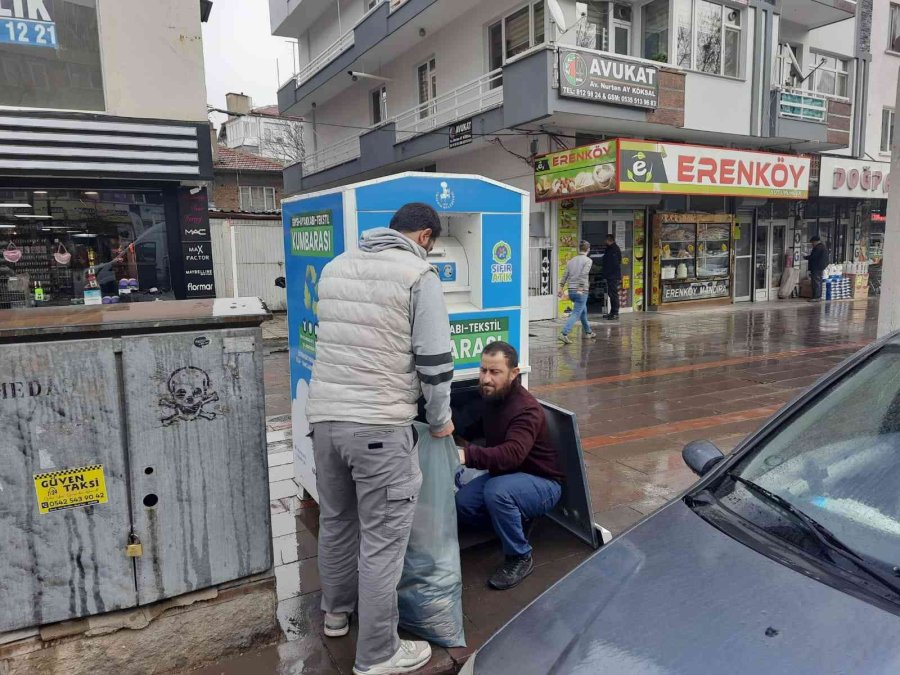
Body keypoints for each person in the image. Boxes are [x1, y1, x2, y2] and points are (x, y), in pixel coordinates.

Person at [306, 202, 455, 675]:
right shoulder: (418, 274)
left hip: (326, 422)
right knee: (381, 543)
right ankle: (377, 654)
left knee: (336, 521)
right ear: (425, 235)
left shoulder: (336, 266)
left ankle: (336, 613)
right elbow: (434, 361)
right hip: (377, 427)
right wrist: (440, 420)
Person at [454, 341, 564, 591]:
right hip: (508, 476)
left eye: (495, 372)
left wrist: (466, 456)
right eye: (483, 370)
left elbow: (512, 455)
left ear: (514, 374)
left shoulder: (525, 409)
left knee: (498, 493)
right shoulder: (493, 398)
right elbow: (473, 426)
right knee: (463, 503)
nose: (486, 379)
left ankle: (520, 556)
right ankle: (511, 525)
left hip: (543, 482)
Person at [557, 240, 596, 344]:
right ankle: (564, 333)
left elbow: (565, 275)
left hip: (571, 290)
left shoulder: (571, 260)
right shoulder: (588, 261)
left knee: (583, 311)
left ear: (579, 249)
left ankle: (588, 332)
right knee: (576, 313)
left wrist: (560, 287)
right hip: (581, 291)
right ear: (588, 250)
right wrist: (581, 287)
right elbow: (584, 274)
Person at [601, 234, 622, 320]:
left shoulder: (614, 249)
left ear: (609, 240)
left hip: (613, 276)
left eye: (605, 240)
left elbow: (614, 264)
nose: (604, 241)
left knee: (613, 294)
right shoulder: (609, 249)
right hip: (610, 276)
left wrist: (609, 274)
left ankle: (615, 312)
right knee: (611, 294)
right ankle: (612, 312)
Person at [805, 235, 828, 302]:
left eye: (812, 242)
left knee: (816, 282)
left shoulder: (818, 248)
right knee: (818, 281)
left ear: (815, 241)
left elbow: (813, 257)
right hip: (820, 267)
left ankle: (816, 297)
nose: (812, 244)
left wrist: (806, 257)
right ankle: (817, 296)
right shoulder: (823, 247)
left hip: (816, 267)